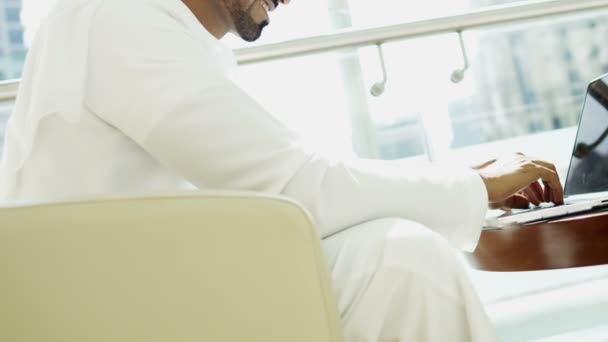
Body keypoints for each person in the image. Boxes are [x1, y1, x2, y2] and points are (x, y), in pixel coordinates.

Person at [0, 0, 564, 340]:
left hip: (147, 285)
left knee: (394, 257)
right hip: (106, 311)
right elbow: (293, 186)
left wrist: (460, 179)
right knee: (401, 260)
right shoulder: (122, 19)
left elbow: (288, 179)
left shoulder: (159, 30)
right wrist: (472, 186)